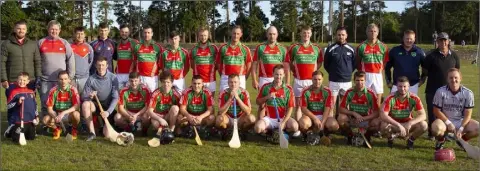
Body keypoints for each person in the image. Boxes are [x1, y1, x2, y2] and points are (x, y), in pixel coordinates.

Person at [38, 20, 75, 133]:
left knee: (61, 104)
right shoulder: (41, 42)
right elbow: (36, 61)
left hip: (61, 81)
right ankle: (48, 126)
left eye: (56, 29)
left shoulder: (64, 43)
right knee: (45, 104)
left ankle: (63, 125)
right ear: (48, 29)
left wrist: (70, 77)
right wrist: (38, 76)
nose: (54, 31)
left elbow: (71, 60)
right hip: (45, 80)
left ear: (60, 30)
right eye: (52, 29)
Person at [423, 32, 460, 139]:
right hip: (432, 90)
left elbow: (456, 72)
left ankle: (446, 132)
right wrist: (421, 81)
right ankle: (431, 133)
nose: (443, 42)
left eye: (445, 40)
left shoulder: (454, 56)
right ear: (437, 42)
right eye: (440, 40)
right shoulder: (430, 56)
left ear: (448, 41)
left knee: (447, 112)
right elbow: (425, 71)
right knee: (432, 112)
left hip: (449, 91)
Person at [431, 68, 478, 150]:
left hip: (461, 121)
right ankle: (441, 140)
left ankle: (461, 141)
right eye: (451, 78)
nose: (453, 80)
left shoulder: (468, 93)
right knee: (435, 128)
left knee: (478, 128)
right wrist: (448, 123)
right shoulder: (440, 91)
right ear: (447, 79)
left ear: (460, 78)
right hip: (444, 121)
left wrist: (461, 127)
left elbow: (468, 114)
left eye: (456, 77)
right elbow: (436, 110)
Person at [287, 25, 323, 123]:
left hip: (312, 82)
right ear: (301, 34)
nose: (306, 35)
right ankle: (299, 127)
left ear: (311, 34)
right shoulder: (294, 47)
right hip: (299, 81)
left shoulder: (316, 48)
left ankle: (309, 124)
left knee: (310, 104)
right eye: (304, 33)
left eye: (308, 33)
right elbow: (289, 63)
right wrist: (295, 71)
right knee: (298, 105)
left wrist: (314, 71)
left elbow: (319, 62)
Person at [380, 76, 428, 150]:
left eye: (405, 86)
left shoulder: (414, 98)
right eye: (400, 86)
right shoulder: (390, 98)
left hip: (407, 125)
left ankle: (410, 140)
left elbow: (423, 115)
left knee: (424, 125)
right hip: (394, 125)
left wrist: (410, 123)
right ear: (396, 86)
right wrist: (398, 125)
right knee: (383, 125)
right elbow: (383, 115)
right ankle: (390, 139)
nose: (402, 89)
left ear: (409, 86)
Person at [338, 71, 381, 145]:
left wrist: (364, 118)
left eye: (362, 80)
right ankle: (350, 135)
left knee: (377, 122)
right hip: (353, 119)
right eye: (357, 80)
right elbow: (341, 109)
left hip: (366, 119)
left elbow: (377, 112)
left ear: (365, 81)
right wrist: (353, 113)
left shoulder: (371, 94)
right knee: (341, 118)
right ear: (354, 81)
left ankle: (367, 136)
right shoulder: (349, 92)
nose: (359, 82)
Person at [254, 65, 299, 136]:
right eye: (276, 74)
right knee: (258, 128)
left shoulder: (288, 89)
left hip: (283, 118)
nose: (278, 77)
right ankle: (270, 132)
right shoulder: (266, 87)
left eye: (281, 74)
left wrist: (284, 122)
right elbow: (257, 101)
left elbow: (290, 108)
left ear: (284, 75)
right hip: (269, 118)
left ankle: (284, 132)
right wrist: (267, 97)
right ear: (273, 74)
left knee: (295, 126)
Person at [81, 57, 119, 141]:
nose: (101, 67)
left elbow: (115, 98)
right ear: (95, 65)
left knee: (108, 135)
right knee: (85, 104)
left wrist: (108, 112)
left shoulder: (113, 78)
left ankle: (103, 126)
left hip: (107, 109)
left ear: (107, 66)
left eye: (103, 65)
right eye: (99, 65)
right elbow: (83, 96)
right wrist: (89, 96)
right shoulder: (91, 79)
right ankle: (92, 133)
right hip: (96, 107)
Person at [298, 70, 339, 141]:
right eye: (315, 79)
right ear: (312, 79)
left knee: (334, 125)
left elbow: (327, 108)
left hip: (323, 115)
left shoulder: (327, 91)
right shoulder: (305, 91)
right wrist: (315, 119)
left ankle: (325, 133)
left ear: (322, 79)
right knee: (303, 123)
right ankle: (308, 134)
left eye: (319, 79)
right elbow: (303, 108)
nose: (317, 81)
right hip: (310, 116)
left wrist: (322, 123)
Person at [1, 20, 41, 92]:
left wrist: (38, 77)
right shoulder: (6, 44)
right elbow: (1, 62)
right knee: (14, 103)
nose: (21, 31)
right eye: (19, 28)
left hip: (30, 81)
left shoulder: (33, 44)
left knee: (29, 103)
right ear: (14, 29)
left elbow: (37, 62)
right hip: (13, 81)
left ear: (26, 30)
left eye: (23, 29)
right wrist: (3, 79)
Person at [356, 23, 389, 107]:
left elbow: (385, 61)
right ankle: (364, 118)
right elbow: (358, 62)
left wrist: (380, 69)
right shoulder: (361, 46)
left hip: (378, 75)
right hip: (366, 74)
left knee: (377, 100)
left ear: (377, 33)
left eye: (375, 31)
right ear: (367, 32)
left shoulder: (383, 46)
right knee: (365, 99)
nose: (373, 33)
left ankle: (376, 118)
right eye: (370, 31)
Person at [385, 30, 426, 95]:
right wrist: (388, 81)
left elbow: (425, 67)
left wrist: (422, 80)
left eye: (411, 39)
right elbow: (387, 67)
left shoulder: (419, 52)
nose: (409, 40)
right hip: (397, 85)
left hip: (413, 85)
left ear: (414, 39)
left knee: (411, 105)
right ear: (403, 38)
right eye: (407, 38)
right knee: (394, 104)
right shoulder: (394, 51)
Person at [323, 26, 355, 109]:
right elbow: (326, 64)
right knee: (331, 105)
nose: (341, 36)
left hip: (346, 82)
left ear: (346, 35)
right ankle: (330, 120)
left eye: (343, 35)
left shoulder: (351, 49)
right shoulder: (330, 49)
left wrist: (347, 72)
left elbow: (354, 64)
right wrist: (333, 72)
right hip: (334, 81)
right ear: (336, 35)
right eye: (339, 35)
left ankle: (345, 121)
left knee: (346, 105)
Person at [43, 71, 81, 140]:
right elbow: (49, 109)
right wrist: (55, 116)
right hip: (57, 114)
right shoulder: (53, 90)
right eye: (61, 79)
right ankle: (57, 129)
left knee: (76, 115)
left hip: (69, 114)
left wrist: (64, 113)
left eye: (65, 79)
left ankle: (74, 129)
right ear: (58, 79)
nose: (63, 81)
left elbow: (77, 106)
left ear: (69, 80)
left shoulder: (73, 90)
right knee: (45, 120)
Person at [252, 26, 289, 90]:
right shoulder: (260, 47)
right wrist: (254, 80)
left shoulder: (283, 48)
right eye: (270, 34)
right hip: (264, 79)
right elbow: (254, 65)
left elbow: (287, 66)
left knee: (278, 99)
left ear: (277, 35)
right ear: (267, 34)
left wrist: (288, 82)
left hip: (278, 78)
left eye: (274, 34)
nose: (272, 36)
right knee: (264, 99)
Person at [5, 72, 37, 143]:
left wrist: (36, 116)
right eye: (20, 80)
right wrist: (18, 102)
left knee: (31, 138)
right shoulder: (14, 92)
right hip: (19, 120)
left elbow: (35, 105)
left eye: (24, 80)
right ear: (17, 80)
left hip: (30, 120)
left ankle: (27, 130)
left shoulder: (31, 92)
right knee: (16, 139)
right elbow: (8, 106)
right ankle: (10, 130)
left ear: (28, 81)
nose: (22, 82)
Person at [217, 25, 252, 91]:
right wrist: (223, 76)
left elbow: (249, 65)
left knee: (240, 99)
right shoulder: (223, 48)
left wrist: (243, 78)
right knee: (224, 99)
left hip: (240, 77)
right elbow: (218, 64)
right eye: (234, 33)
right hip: (226, 77)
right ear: (231, 33)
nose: (236, 36)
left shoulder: (245, 49)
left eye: (238, 34)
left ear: (241, 34)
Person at [133, 25, 164, 92]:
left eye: (148, 32)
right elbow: (134, 61)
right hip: (140, 76)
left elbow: (161, 62)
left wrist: (159, 73)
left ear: (152, 34)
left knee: (152, 97)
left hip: (152, 77)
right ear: (142, 33)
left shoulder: (157, 47)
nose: (146, 34)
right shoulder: (137, 46)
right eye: (145, 32)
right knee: (141, 96)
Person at [190, 27, 219, 94]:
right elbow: (192, 65)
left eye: (205, 35)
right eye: (201, 35)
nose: (203, 37)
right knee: (198, 101)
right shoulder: (194, 49)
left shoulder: (213, 48)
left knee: (210, 102)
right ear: (198, 36)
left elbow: (218, 63)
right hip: (197, 80)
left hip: (211, 80)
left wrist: (213, 69)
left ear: (208, 35)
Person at [71, 26, 94, 94]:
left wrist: (84, 71)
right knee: (73, 101)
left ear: (84, 35)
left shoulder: (89, 47)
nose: (80, 36)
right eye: (78, 34)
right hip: (72, 79)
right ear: (74, 35)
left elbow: (90, 61)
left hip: (85, 79)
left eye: (81, 34)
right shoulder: (69, 47)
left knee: (84, 100)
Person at [116, 24, 139, 89]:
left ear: (129, 33)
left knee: (130, 93)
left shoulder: (135, 43)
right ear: (120, 32)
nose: (124, 34)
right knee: (120, 93)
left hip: (131, 74)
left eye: (126, 32)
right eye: (122, 32)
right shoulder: (117, 43)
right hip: (119, 73)